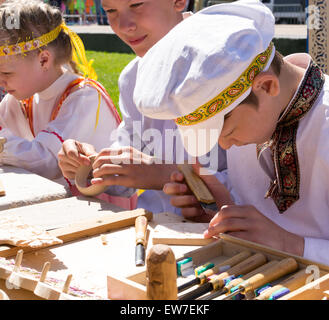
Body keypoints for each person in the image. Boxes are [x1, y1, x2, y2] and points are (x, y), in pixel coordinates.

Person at [133, 0, 329, 265]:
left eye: (227, 129)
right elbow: (256, 205)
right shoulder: (261, 111)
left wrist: (289, 244)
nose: (223, 144)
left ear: (267, 85)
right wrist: (218, 209)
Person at [58, 0, 227, 214]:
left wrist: (166, 175)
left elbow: (260, 191)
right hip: (151, 229)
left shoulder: (228, 66)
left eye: (137, 4)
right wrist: (93, 166)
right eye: (111, 11)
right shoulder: (132, 78)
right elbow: (126, 174)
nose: (124, 26)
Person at [0, 0, 120, 184]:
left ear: (44, 60)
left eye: (6, 72)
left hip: (100, 207)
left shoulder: (84, 98)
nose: (1, 80)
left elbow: (47, 161)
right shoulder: (17, 99)